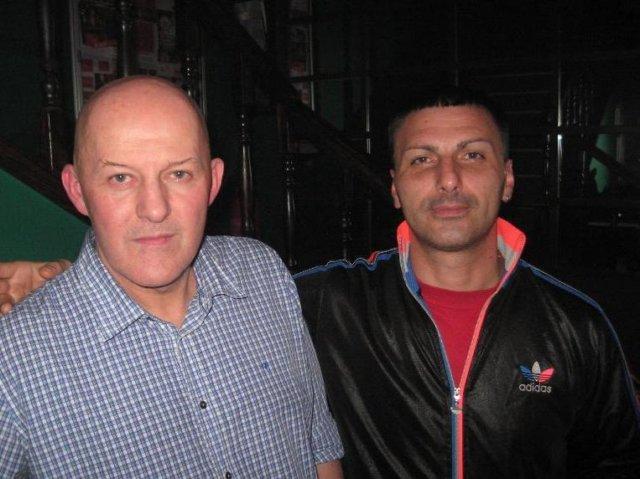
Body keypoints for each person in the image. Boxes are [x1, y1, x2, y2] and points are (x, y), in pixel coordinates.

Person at [3, 86, 640, 478]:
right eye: (422, 159)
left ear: (508, 177)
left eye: (472, 155)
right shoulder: (328, 298)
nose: (448, 180)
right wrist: (52, 281)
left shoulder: (577, 325)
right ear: (395, 186)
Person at [0, 76, 343, 478]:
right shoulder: (14, 357)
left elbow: (318, 446)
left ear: (213, 181)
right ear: (77, 191)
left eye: (179, 174)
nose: (155, 208)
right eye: (120, 178)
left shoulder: (263, 274)